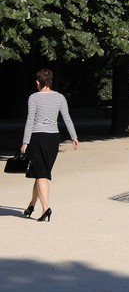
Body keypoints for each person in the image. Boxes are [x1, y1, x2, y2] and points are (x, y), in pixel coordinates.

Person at [20, 68, 78, 222]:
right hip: (53, 139)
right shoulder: (60, 97)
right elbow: (67, 118)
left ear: (38, 82)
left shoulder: (33, 98)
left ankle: (46, 208)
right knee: (40, 174)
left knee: (41, 174)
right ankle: (32, 205)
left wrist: (25, 141)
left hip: (38, 137)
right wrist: (74, 136)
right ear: (50, 81)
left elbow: (30, 120)